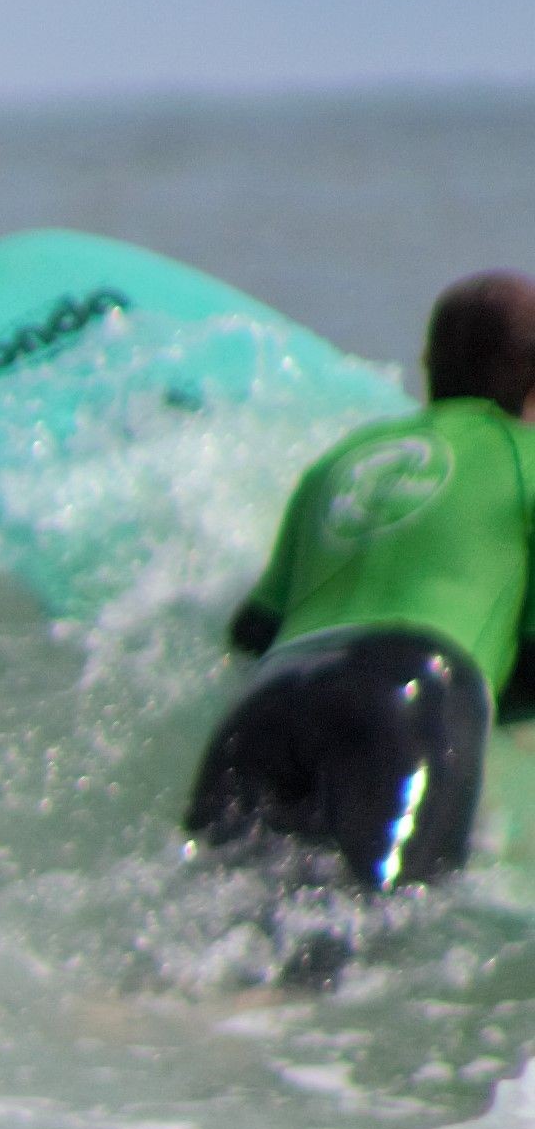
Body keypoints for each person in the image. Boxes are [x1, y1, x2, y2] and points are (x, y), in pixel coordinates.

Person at [187, 270, 535, 891]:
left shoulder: (344, 460)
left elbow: (252, 631)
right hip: (410, 698)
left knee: (202, 938)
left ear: (428, 364)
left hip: (268, 703)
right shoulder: (525, 459)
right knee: (368, 943)